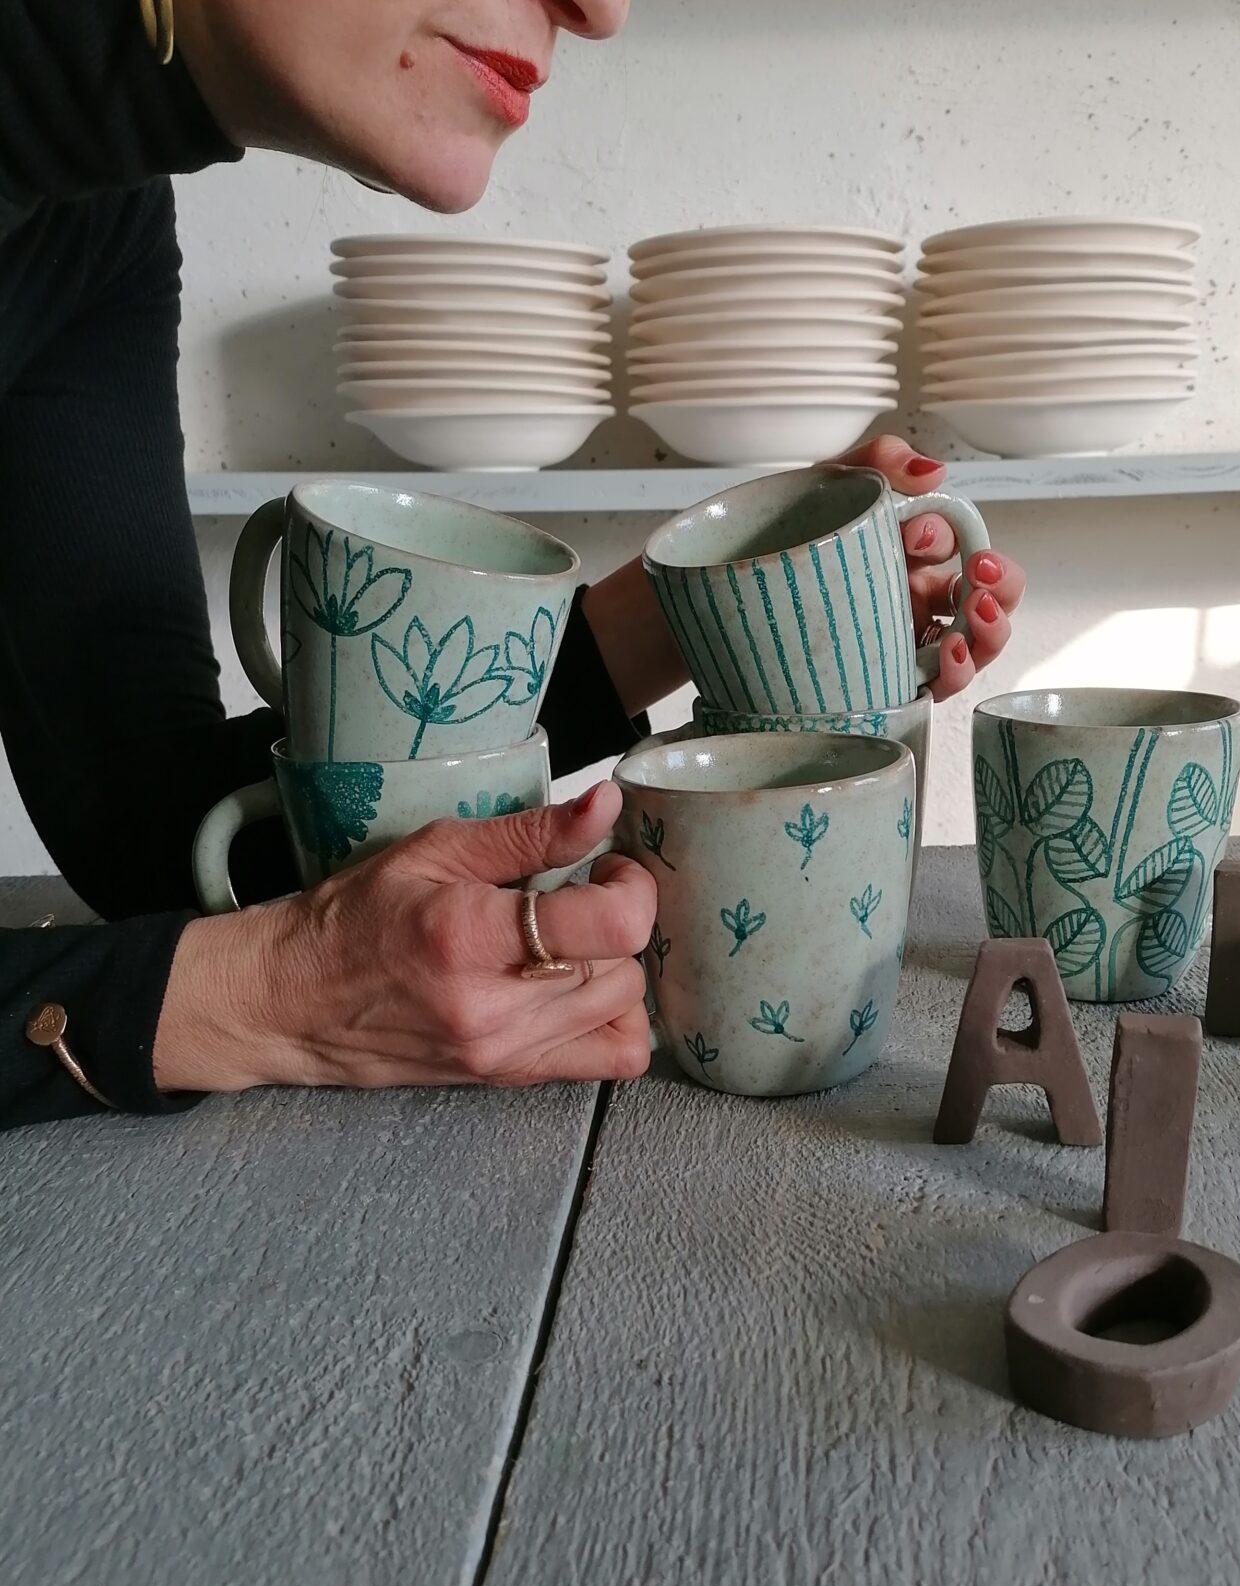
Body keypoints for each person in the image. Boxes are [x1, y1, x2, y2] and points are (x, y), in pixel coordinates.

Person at [0, 0, 1026, 1130]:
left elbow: (150, 829)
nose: (600, 11)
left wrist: (702, 607)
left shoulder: (94, 220)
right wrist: (266, 996)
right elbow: (202, 918)